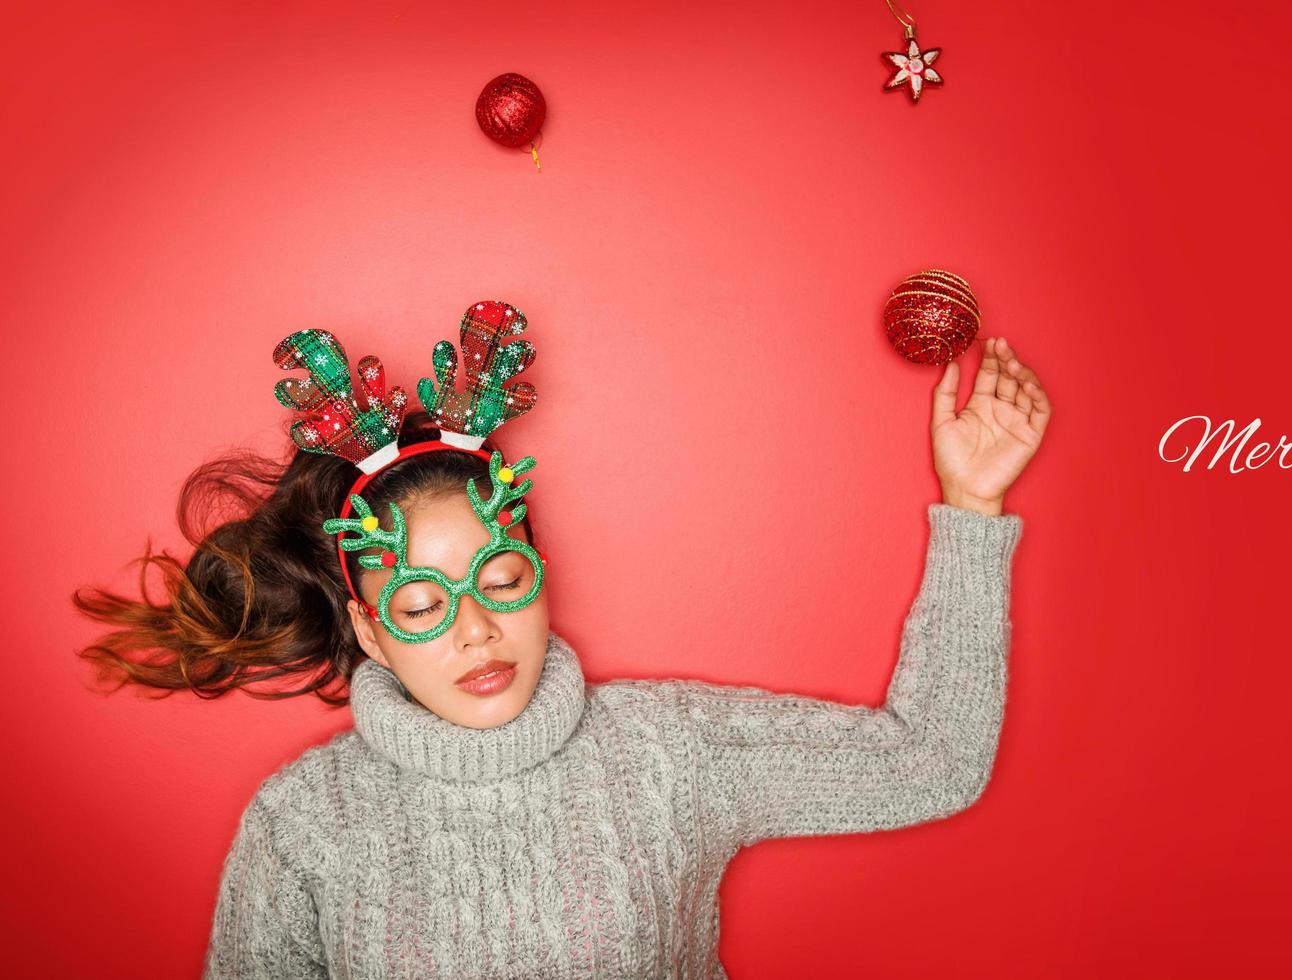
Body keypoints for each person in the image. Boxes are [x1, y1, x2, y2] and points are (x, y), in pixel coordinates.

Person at [74, 302, 1051, 979]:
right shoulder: (304, 823)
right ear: (371, 628)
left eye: (499, 579)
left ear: (538, 575)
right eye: (422, 603)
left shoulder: (666, 755)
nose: (476, 626)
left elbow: (931, 761)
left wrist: (972, 503)